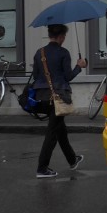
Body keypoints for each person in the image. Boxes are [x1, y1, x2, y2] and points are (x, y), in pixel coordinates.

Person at [34, 24, 87, 179]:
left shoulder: (40, 53)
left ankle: (72, 159)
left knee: (59, 129)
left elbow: (36, 75)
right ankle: (42, 168)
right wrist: (79, 66)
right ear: (61, 36)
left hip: (42, 98)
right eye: (64, 36)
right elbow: (68, 76)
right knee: (52, 133)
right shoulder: (63, 53)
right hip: (58, 98)